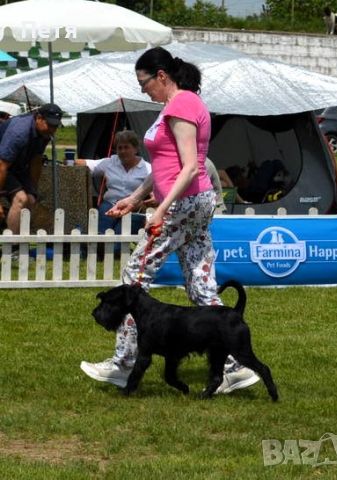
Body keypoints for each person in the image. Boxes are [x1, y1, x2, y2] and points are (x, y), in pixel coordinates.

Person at [80, 46, 260, 394]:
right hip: (193, 202)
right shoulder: (176, 106)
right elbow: (166, 165)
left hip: (184, 204)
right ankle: (235, 366)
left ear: (161, 76)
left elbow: (190, 166)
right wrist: (135, 199)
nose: (142, 89)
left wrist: (160, 211)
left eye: (144, 82)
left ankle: (123, 363)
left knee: (134, 278)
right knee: (201, 285)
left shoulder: (182, 104)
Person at [0, 103, 63, 234]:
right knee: (20, 199)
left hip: (16, 167)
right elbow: (2, 166)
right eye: (50, 124)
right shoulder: (19, 132)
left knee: (30, 200)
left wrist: (32, 188)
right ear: (39, 118)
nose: (52, 130)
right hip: (2, 165)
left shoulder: (45, 133)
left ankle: (21, 241)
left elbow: (36, 160)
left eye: (55, 126)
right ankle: (11, 247)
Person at [75, 130, 152, 235]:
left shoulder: (147, 168)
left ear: (135, 149)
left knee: (117, 242)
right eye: (119, 148)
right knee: (101, 234)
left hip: (133, 209)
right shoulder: (110, 162)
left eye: (126, 147)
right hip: (110, 205)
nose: (123, 151)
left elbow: (154, 195)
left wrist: (143, 204)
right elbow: (87, 164)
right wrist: (72, 161)